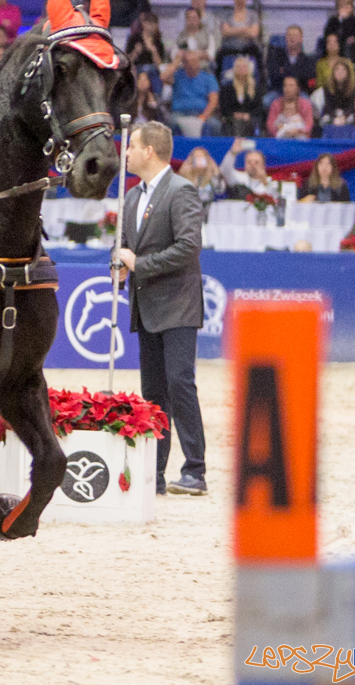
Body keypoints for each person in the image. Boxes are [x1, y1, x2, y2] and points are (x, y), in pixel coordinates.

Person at [113, 121, 207, 496]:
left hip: (178, 305)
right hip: (146, 304)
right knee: (153, 391)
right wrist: (119, 264)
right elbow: (123, 245)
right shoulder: (132, 198)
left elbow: (189, 247)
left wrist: (139, 265)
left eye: (132, 146)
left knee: (179, 384)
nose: (127, 153)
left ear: (149, 151)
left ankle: (195, 469)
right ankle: (155, 472)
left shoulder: (181, 191)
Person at [162, 49, 218, 137]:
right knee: (170, 123)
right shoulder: (178, 75)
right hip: (180, 113)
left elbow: (213, 101)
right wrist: (177, 61)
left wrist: (203, 116)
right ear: (184, 63)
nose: (191, 64)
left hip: (201, 112)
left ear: (199, 62)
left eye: (194, 61)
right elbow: (163, 77)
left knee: (215, 125)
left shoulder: (208, 77)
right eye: (188, 61)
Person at [217, 55, 263, 137]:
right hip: (232, 118)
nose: (242, 69)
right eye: (239, 67)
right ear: (235, 69)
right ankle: (237, 143)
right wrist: (235, 114)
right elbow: (224, 107)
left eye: (244, 67)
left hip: (250, 118)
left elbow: (259, 107)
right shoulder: (227, 88)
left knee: (251, 122)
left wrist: (249, 115)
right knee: (237, 122)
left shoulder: (255, 88)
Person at [266, 75, 314, 139]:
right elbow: (270, 125)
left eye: (291, 86)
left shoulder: (305, 104)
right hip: (280, 139)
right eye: (285, 86)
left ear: (298, 88)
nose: (288, 89)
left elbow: (309, 125)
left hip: (299, 138)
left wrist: (298, 131)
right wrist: (284, 131)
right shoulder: (276, 104)